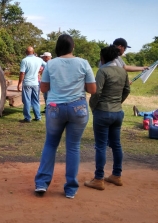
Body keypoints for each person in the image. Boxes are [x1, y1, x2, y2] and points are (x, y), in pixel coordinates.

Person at [34, 34, 96, 199]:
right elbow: (92, 89)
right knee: (73, 147)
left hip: (55, 109)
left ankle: (42, 183)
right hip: (78, 108)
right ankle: (70, 189)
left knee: (50, 144)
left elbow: (44, 88)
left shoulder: (51, 64)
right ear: (73, 47)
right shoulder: (83, 63)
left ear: (58, 48)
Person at [85, 45, 130, 190]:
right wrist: (118, 102)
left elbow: (97, 93)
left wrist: (93, 106)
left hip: (103, 112)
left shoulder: (103, 71)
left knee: (100, 146)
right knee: (116, 144)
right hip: (117, 112)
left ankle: (98, 178)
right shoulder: (122, 72)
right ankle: (117, 175)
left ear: (102, 58)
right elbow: (127, 90)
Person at [17, 46, 46, 122]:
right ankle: (38, 117)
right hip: (36, 83)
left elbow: (22, 73)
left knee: (27, 101)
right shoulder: (39, 60)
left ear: (26, 52)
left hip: (27, 83)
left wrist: (19, 83)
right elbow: (47, 66)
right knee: (36, 100)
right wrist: (40, 73)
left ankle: (27, 118)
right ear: (33, 52)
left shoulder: (24, 60)